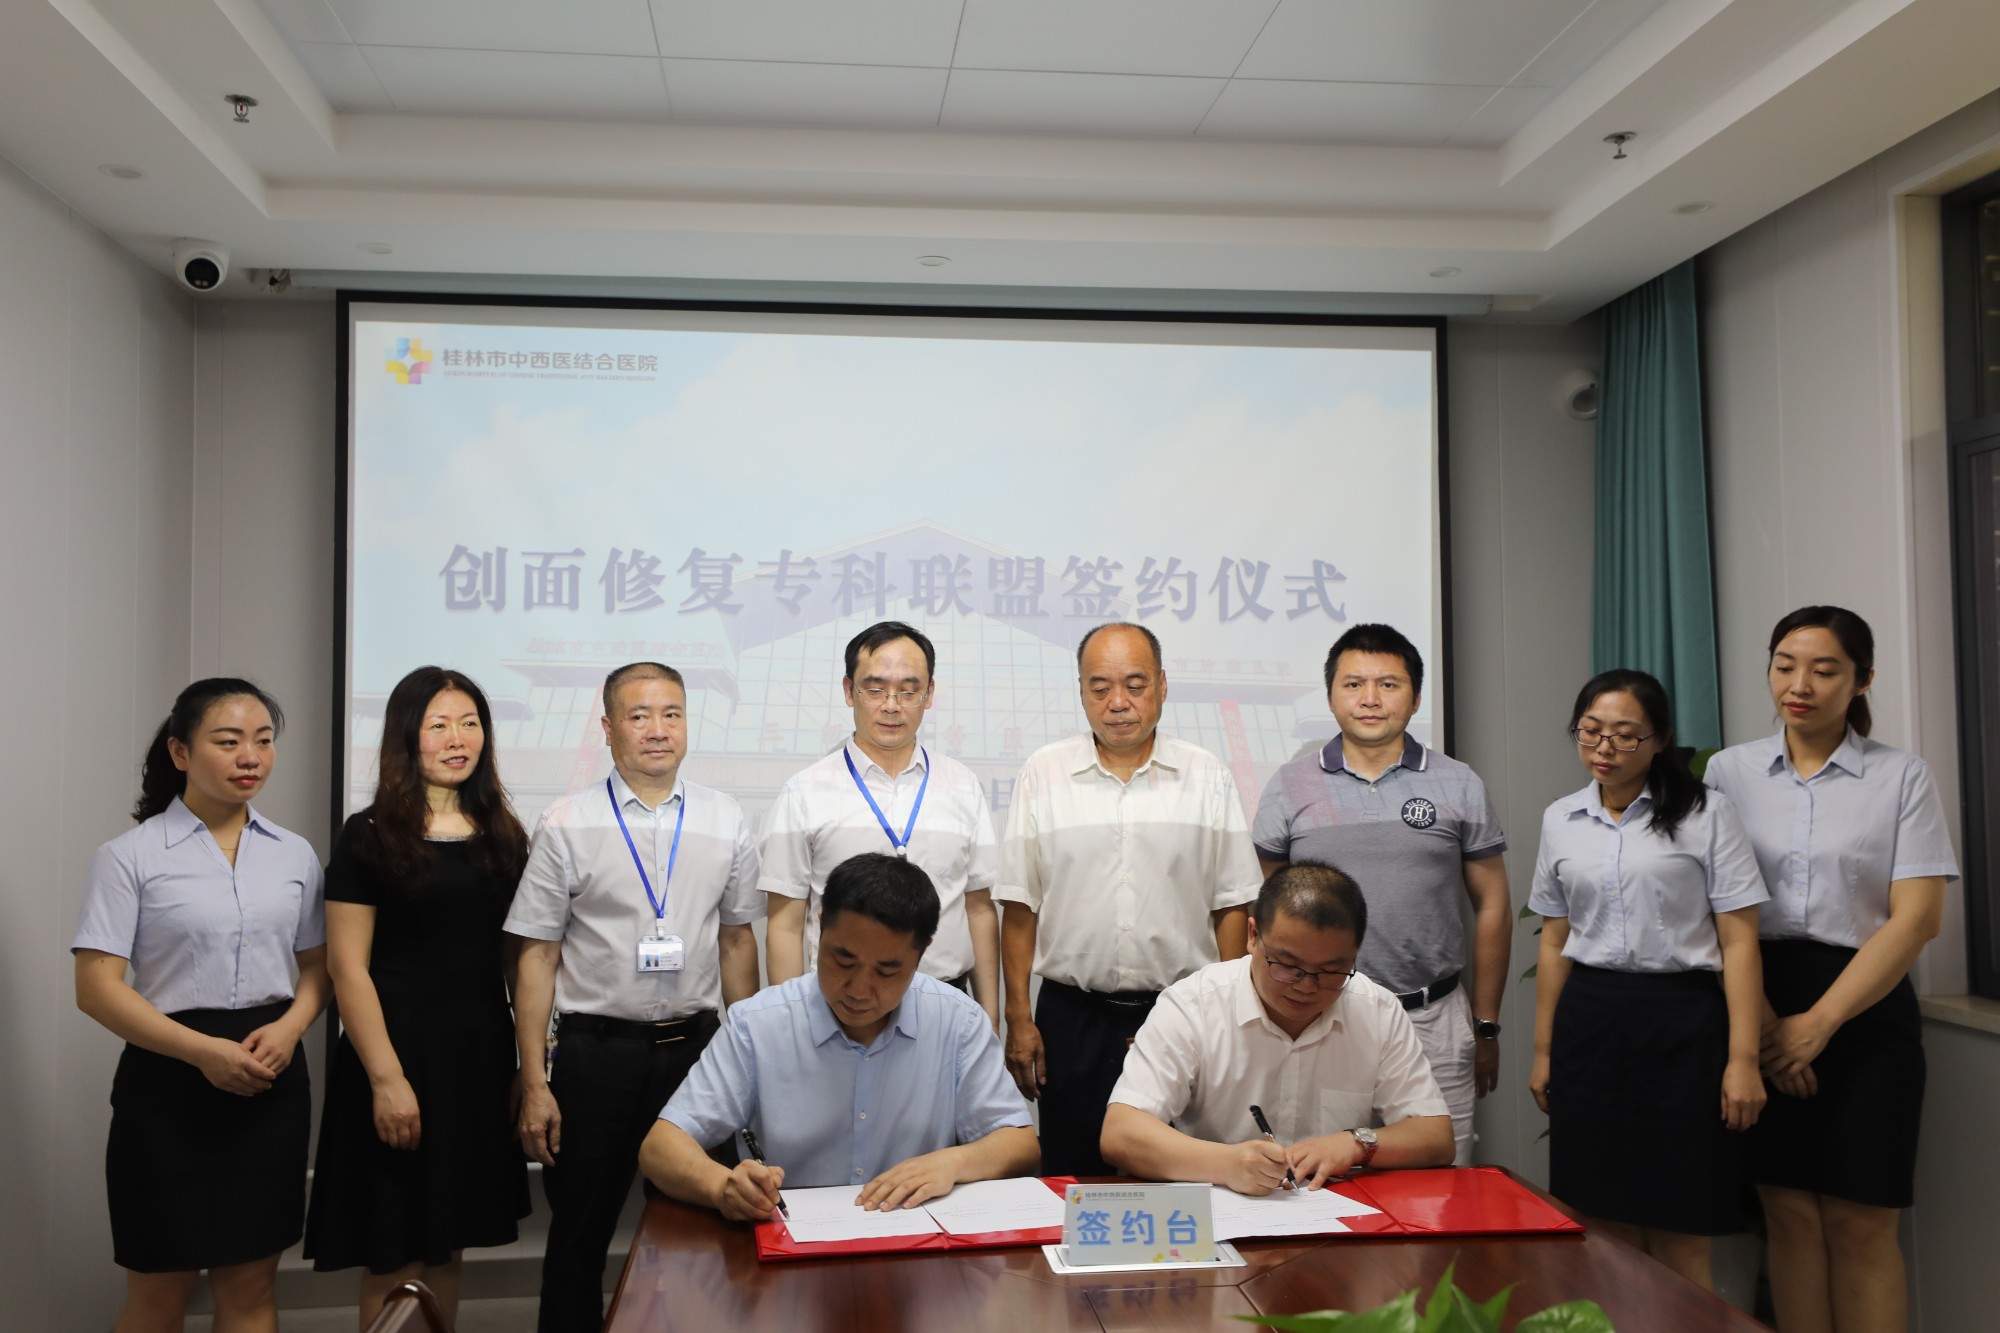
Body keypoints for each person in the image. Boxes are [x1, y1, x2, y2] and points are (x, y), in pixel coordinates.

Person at [1703, 607, 1956, 1333]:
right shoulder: (1728, 772)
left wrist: (1819, 1023)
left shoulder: (1901, 775)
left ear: (1862, 679)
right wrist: (1767, 1027)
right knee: (1787, 1213)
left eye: (1824, 669)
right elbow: (1711, 907)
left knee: (1862, 1221)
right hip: (1758, 995)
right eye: (1785, 666)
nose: (1800, 685)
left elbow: (1918, 918)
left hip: (1865, 1007)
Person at [504, 662, 762, 1333]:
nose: (657, 729)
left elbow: (737, 941)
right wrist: (534, 1080)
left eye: (671, 713)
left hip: (697, 1053)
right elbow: (537, 954)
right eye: (639, 715)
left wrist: (752, 1057)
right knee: (579, 1232)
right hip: (596, 1054)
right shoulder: (566, 821)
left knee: (704, 1228)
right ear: (609, 727)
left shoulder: (724, 817)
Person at [72, 678, 330, 1333]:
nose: (251, 756)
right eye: (229, 740)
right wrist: (203, 1052)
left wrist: (291, 1027)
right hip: (167, 1082)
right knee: (159, 1295)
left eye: (263, 741)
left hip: (270, 1077)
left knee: (251, 1292)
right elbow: (96, 987)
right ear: (181, 752)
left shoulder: (295, 853)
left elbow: (317, 970)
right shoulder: (128, 856)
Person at [302, 667, 532, 1328]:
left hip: (476, 1060)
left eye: (470, 723)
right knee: (393, 1249)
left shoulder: (503, 833)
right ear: (407, 736)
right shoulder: (369, 833)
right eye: (439, 725)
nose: (458, 739)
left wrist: (527, 1066)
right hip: (395, 1056)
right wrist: (386, 1078)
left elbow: (518, 962)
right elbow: (348, 968)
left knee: (448, 1245)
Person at [1528, 668, 1768, 1290]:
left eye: (1625, 734)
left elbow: (1739, 941)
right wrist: (1544, 1050)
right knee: (1601, 1231)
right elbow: (1554, 940)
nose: (1604, 747)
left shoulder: (1707, 814)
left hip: (1683, 1027)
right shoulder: (1561, 818)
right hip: (1591, 1023)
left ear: (1659, 740)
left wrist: (1743, 1060)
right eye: (1590, 731)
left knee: (1682, 1230)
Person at [995, 621, 1264, 1175]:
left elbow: (1231, 905)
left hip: (1181, 1012)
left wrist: (1230, 1014)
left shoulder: (1206, 775)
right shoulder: (1044, 773)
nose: (1117, 702)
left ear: (1162, 686)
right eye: (1100, 687)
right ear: (1081, 692)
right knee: (1073, 1173)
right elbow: (1020, 907)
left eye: (1135, 685)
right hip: (1072, 1016)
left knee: (1183, 1168)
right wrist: (1018, 1018)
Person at [642, 853, 1038, 1219]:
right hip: (792, 1237)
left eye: (886, 971)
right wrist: (723, 1187)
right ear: (820, 925)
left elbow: (1020, 1145)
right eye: (843, 961)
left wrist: (953, 1163)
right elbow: (660, 1149)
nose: (859, 990)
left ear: (921, 955)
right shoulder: (758, 1024)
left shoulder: (958, 1021)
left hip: (914, 1238)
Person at [1252, 623, 1510, 1165]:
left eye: (1388, 685)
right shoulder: (1289, 784)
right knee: (1320, 1173)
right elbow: (1266, 906)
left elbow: (1492, 906)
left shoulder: (1459, 782)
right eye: (1353, 684)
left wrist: (1485, 1025)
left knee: (1441, 1177)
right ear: (1331, 697)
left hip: (1432, 1017)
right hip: (1321, 1016)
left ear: (1415, 698)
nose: (1370, 699)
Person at [1102, 863, 1453, 1191]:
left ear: (1354, 955)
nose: (1306, 986)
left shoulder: (1376, 1009)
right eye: (1287, 966)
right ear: (1253, 935)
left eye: (1331, 971)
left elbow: (1435, 1136)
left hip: (1335, 1211)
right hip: (1221, 1210)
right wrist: (1226, 1164)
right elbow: (1120, 1133)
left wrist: (1357, 1144)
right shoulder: (1193, 1004)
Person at [762, 621, 1001, 1024]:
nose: (892, 705)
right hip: (842, 1008)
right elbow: (785, 923)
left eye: (908, 690)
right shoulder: (804, 792)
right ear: (848, 691)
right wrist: (791, 1026)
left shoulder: (963, 786)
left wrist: (989, 1018)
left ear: (929, 695)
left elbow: (978, 908)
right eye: (875, 689)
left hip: (947, 1007)